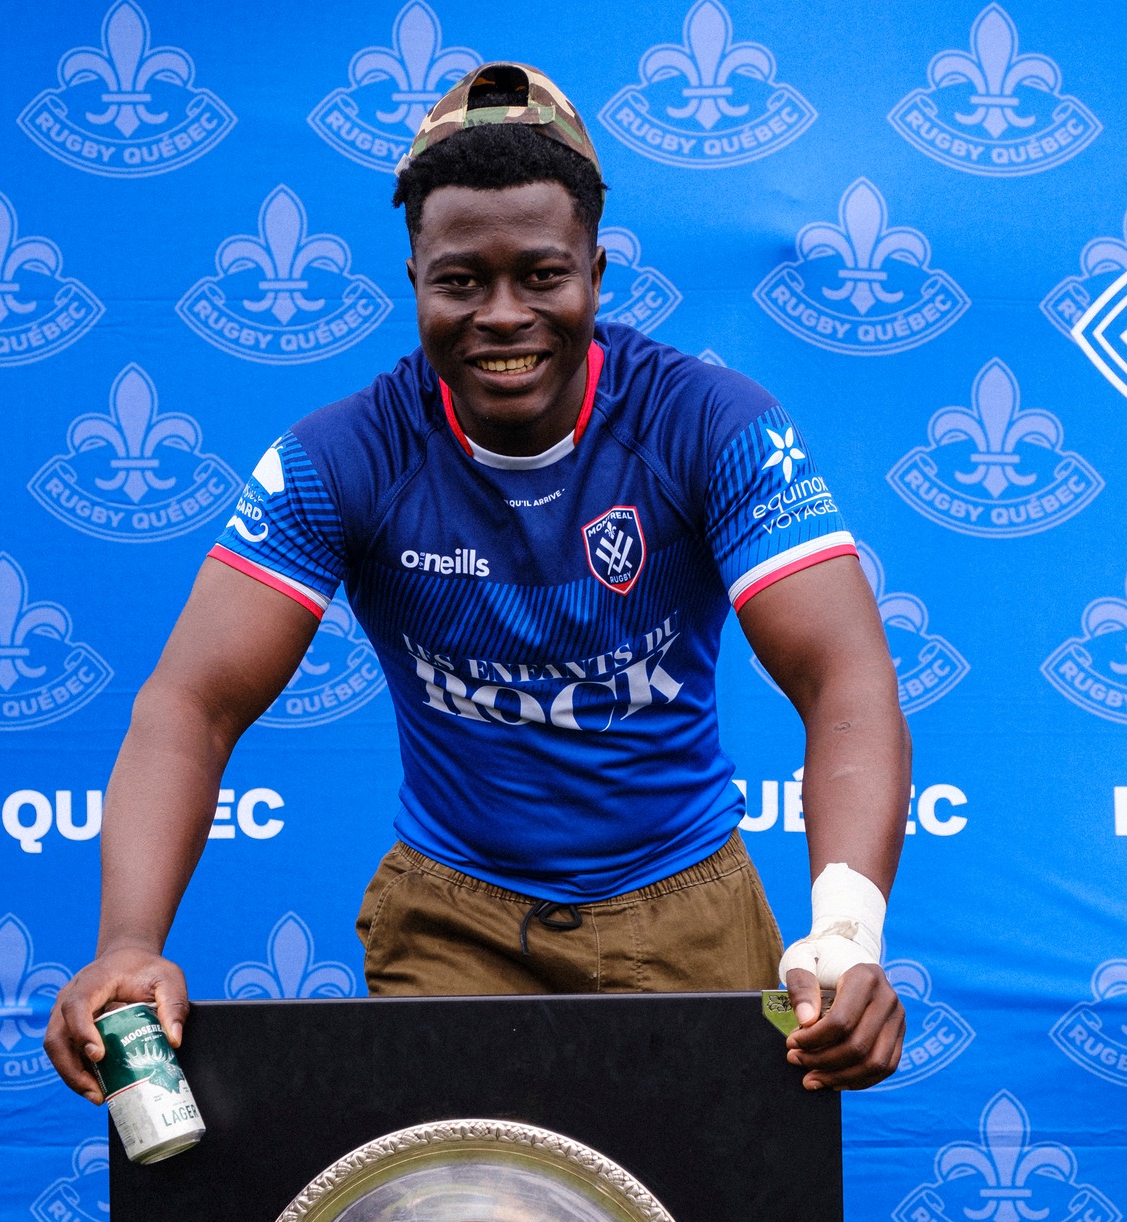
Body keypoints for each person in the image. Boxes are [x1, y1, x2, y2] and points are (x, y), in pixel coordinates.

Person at [45, 62, 909, 1103]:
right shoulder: (340, 458)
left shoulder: (707, 424)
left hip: (691, 910)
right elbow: (191, 702)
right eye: (460, 280)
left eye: (541, 274)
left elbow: (842, 675)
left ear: (595, 268)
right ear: (413, 277)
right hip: (452, 923)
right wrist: (128, 944)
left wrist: (847, 935)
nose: (502, 314)